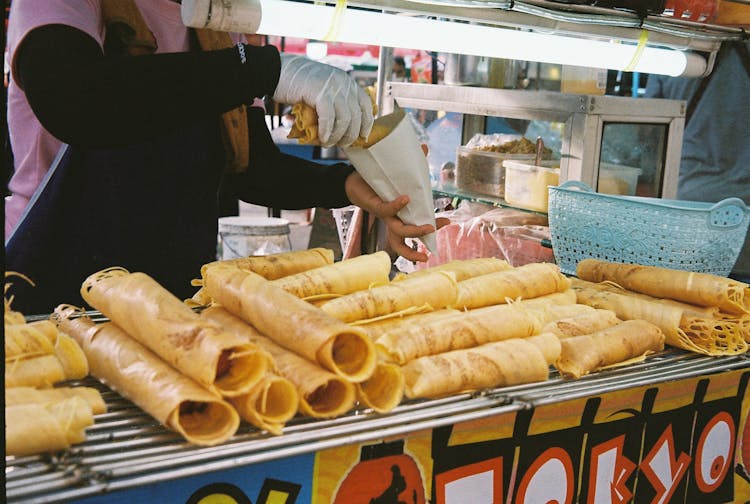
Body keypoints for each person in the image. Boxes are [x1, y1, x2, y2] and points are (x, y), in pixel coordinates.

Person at [4, 0, 437, 314]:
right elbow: (80, 101)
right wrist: (261, 68)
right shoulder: (64, 5)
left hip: (171, 300)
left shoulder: (215, 27)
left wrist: (347, 185)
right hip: (54, 289)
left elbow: (254, 170)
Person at [643, 40, 750, 281]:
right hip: (745, 220)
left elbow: (648, 135)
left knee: (688, 308)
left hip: (689, 217)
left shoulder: (669, 48)